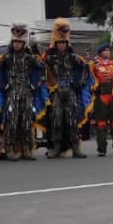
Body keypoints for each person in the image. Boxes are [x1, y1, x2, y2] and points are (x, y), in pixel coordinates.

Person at [0, 23, 45, 161]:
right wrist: (2, 86)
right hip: (12, 93)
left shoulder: (30, 58)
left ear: (24, 43)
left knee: (26, 121)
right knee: (12, 120)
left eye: (20, 42)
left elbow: (42, 70)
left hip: (27, 93)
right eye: (15, 42)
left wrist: (35, 85)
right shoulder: (7, 57)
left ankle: (27, 150)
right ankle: (10, 149)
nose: (17, 45)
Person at [41, 18, 92, 159]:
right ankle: (55, 148)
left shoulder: (73, 57)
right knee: (56, 120)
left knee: (72, 120)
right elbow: (41, 69)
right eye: (59, 43)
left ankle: (76, 148)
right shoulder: (49, 58)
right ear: (55, 43)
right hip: (56, 93)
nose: (62, 45)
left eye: (64, 43)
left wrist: (79, 82)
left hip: (70, 91)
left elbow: (85, 68)